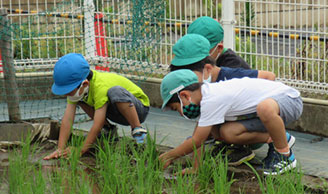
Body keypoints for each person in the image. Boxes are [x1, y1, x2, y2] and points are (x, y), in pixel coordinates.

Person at [169, 33, 289, 166]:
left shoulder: (229, 75)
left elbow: (269, 76)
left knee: (223, 129)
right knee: (216, 130)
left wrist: (255, 111)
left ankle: (276, 143)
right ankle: (227, 145)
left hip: (259, 120)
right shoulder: (201, 90)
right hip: (232, 125)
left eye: (188, 73)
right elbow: (199, 133)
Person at [158, 69, 303, 175]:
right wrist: (197, 168)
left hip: (289, 100)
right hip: (262, 113)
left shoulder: (212, 98)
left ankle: (284, 154)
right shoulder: (207, 98)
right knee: (225, 133)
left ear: (184, 95)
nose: (179, 112)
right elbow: (200, 138)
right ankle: (279, 138)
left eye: (175, 107)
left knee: (264, 108)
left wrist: (168, 156)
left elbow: (197, 140)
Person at [44, 53, 149, 160]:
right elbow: (67, 119)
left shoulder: (100, 86)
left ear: (84, 84)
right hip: (115, 110)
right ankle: (108, 131)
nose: (66, 95)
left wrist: (81, 150)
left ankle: (137, 130)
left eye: (68, 91)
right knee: (80, 99)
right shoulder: (78, 90)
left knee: (115, 91)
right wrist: (60, 149)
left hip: (137, 109)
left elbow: (97, 123)